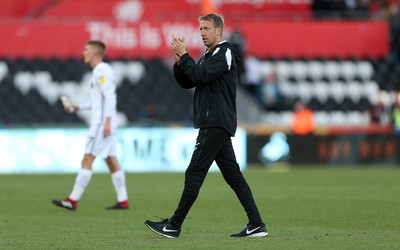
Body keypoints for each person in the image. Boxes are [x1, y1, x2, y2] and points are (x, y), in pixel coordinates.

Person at [144, 13, 267, 238]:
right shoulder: (209, 55)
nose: (202, 33)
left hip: (215, 122)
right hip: (215, 122)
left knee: (194, 172)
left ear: (218, 31)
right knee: (233, 176)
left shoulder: (224, 52)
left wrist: (186, 57)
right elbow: (188, 80)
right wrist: (179, 62)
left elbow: (199, 75)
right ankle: (256, 224)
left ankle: (174, 225)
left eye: (206, 29)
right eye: (200, 29)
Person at [52, 40, 129, 210]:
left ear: (95, 52)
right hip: (106, 121)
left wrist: (107, 122)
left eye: (86, 49)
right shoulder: (103, 71)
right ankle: (123, 200)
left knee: (87, 159)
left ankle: (72, 200)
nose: (83, 53)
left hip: (101, 124)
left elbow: (109, 97)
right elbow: (99, 101)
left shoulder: (100, 71)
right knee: (111, 160)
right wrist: (77, 107)